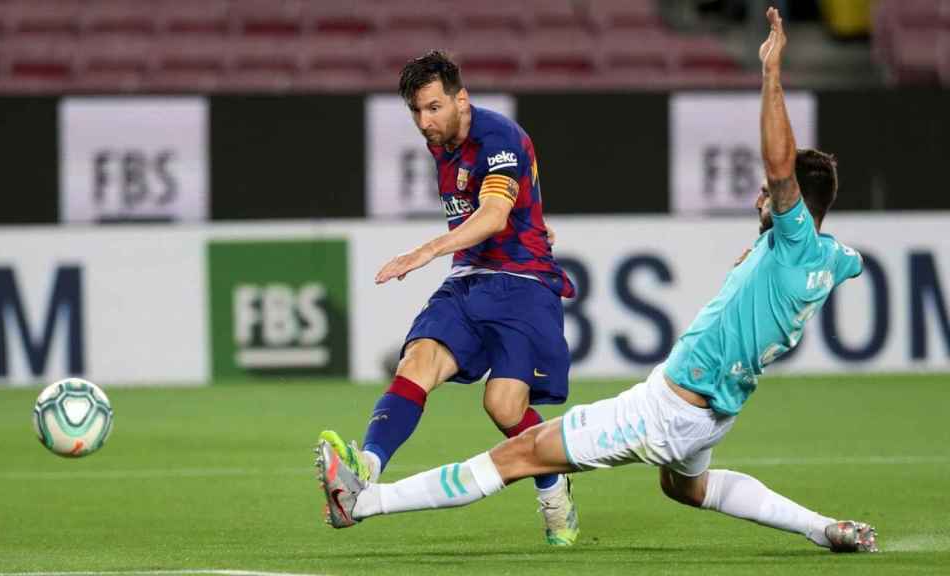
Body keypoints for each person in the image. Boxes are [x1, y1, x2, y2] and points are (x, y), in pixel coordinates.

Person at [315, 8, 878, 553]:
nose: (761, 196)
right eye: (417, 111)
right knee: (687, 487)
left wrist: (772, 72)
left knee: (513, 446)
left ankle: (364, 504)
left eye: (771, 194)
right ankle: (822, 527)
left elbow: (781, 170)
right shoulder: (832, 257)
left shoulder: (795, 235)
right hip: (712, 417)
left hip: (658, 404)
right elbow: (828, 251)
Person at [318, 50, 580, 545]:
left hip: (523, 285)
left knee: (503, 406)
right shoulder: (443, 143)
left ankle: (552, 485)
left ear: (462, 98)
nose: (425, 121)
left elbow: (495, 213)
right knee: (416, 362)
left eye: (434, 107)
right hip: (468, 280)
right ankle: (364, 471)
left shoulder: (497, 136)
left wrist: (427, 250)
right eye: (417, 111)